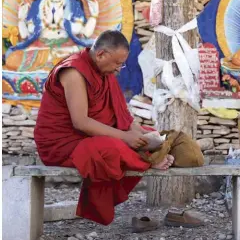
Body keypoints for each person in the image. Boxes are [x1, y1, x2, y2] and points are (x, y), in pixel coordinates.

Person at [34, 30, 174, 226]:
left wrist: (135, 130)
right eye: (117, 63)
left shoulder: (103, 72)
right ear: (101, 54)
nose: (119, 70)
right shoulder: (74, 72)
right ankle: (149, 160)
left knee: (144, 133)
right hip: (62, 145)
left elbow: (120, 114)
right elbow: (81, 122)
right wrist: (125, 138)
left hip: (87, 138)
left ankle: (148, 154)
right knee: (111, 148)